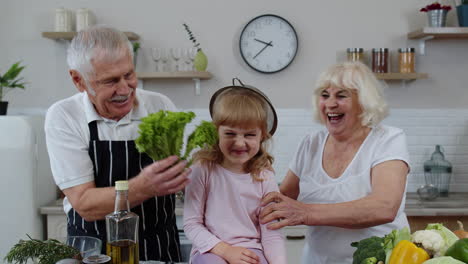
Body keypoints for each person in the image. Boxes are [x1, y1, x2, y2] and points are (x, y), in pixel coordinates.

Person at [44, 25, 190, 262]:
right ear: (79, 80)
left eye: (129, 75)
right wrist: (144, 186)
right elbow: (84, 203)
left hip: (159, 246)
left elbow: (188, 174)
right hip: (94, 250)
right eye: (110, 81)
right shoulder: (64, 116)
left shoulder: (160, 106)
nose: (124, 89)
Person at [259, 61, 411, 264]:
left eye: (341, 95)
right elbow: (283, 198)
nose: (330, 104)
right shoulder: (311, 143)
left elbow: (384, 207)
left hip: (382, 260)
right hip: (318, 259)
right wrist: (256, 178)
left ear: (364, 102)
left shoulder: (388, 139)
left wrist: (306, 212)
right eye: (324, 95)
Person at [183, 79, 286, 264]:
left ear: (262, 136)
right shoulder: (202, 169)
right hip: (210, 249)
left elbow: (271, 234)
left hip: (252, 251)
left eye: (249, 135)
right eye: (230, 134)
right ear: (216, 132)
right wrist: (227, 251)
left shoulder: (265, 177)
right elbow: (192, 224)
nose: (240, 143)